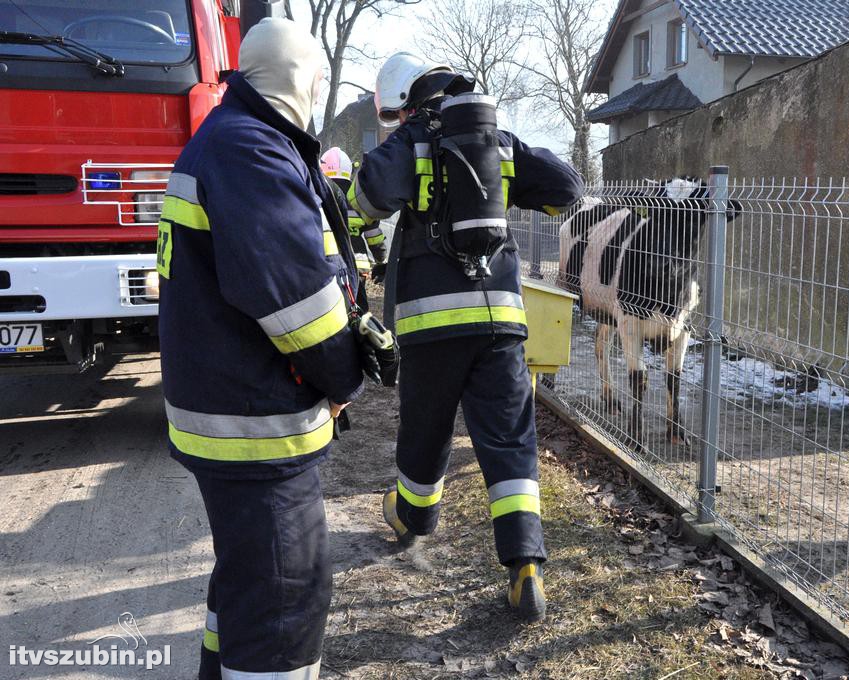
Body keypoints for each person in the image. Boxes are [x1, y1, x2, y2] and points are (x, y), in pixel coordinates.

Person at [157, 18, 364, 680]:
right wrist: (347, 377)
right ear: (301, 80)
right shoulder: (252, 151)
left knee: (245, 586)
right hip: (256, 428)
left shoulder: (233, 140)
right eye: (316, 78)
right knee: (283, 607)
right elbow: (298, 305)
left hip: (235, 412)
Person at [347, 52, 583, 622]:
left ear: (405, 102)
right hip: (501, 321)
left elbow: (366, 197)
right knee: (508, 439)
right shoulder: (496, 139)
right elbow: (567, 189)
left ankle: (413, 518)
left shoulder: (413, 140)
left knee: (426, 430)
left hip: (431, 324)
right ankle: (525, 564)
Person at [320, 147, 386, 311]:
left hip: (328, 263)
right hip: (358, 264)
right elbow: (373, 235)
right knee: (359, 308)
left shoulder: (318, 191)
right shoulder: (359, 194)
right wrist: (381, 260)